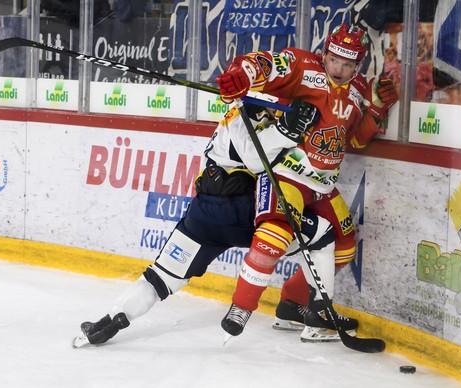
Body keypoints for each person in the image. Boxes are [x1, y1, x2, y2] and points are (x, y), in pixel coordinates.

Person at [72, 98, 345, 348]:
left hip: (202, 215)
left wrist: (287, 125)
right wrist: (287, 130)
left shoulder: (248, 113)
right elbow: (253, 157)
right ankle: (319, 315)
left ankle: (106, 323)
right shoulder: (240, 116)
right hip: (242, 212)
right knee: (320, 234)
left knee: (158, 279)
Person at [216, 23, 398, 340]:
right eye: (333, 58)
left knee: (344, 249)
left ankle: (293, 305)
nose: (338, 68)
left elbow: (354, 141)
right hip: (286, 173)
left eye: (347, 63)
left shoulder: (358, 90)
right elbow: (266, 64)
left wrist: (378, 109)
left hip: (323, 185)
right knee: (275, 233)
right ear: (324, 52)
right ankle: (242, 307)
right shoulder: (303, 67)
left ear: (359, 64)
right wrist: (242, 74)